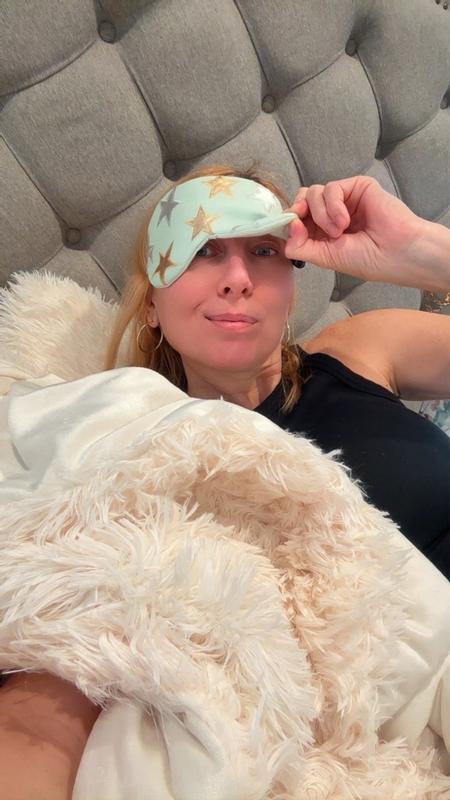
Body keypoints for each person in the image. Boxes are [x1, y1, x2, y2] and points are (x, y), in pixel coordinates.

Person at [1, 162, 450, 799]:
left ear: (291, 284)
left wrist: (424, 252)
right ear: (151, 303)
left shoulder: (360, 350)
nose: (237, 278)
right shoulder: (133, 440)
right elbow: (66, 640)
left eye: (264, 251)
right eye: (202, 251)